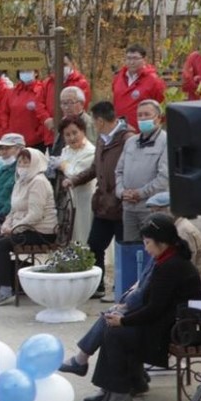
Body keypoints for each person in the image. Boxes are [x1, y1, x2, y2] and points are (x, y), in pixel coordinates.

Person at [85, 214, 201, 401]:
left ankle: (120, 396)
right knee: (112, 327)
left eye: (148, 243)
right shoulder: (166, 260)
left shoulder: (171, 266)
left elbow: (154, 309)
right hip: (168, 322)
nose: (146, 248)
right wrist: (123, 317)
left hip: (175, 330)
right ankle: (120, 388)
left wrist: (124, 321)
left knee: (115, 333)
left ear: (162, 242)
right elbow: (153, 306)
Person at [70, 102, 134, 296]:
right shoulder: (101, 139)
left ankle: (122, 289)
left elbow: (132, 170)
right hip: (103, 204)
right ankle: (96, 287)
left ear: (99, 121)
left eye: (93, 121)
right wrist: (75, 180)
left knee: (124, 248)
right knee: (95, 245)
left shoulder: (128, 139)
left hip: (122, 204)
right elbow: (94, 168)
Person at [0, 148, 57, 304]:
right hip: (24, 228)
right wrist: (6, 225)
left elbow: (35, 215)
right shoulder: (21, 181)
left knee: (1, 245)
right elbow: (13, 210)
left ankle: (6, 289)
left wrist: (14, 229)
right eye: (20, 162)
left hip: (41, 232)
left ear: (35, 163)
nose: (22, 166)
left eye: (26, 163)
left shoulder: (38, 182)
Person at [115, 99, 168, 244]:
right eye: (140, 115)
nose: (143, 118)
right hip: (129, 208)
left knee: (154, 247)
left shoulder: (166, 141)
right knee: (130, 248)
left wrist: (140, 193)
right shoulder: (130, 142)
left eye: (147, 115)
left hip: (152, 208)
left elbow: (164, 178)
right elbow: (119, 171)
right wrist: (122, 192)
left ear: (158, 118)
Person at [57, 117, 97, 245]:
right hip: (70, 198)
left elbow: (74, 173)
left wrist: (64, 165)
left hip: (86, 197)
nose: (72, 137)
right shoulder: (66, 150)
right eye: (67, 135)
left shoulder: (90, 151)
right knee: (72, 232)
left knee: (84, 231)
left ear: (83, 131)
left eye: (75, 133)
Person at [111, 44, 165, 129]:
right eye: (129, 58)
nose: (131, 62)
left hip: (143, 130)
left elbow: (162, 107)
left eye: (135, 58)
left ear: (144, 60)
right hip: (120, 129)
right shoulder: (118, 78)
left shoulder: (154, 81)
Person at [3, 68, 50, 150]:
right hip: (14, 142)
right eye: (22, 71)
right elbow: (4, 113)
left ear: (36, 73)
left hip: (36, 142)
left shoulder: (42, 90)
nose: (25, 73)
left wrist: (38, 134)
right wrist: (7, 131)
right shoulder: (12, 92)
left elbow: (44, 113)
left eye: (28, 71)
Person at [0, 134, 26, 223]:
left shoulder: (23, 171)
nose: (3, 152)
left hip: (6, 218)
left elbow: (15, 200)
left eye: (7, 148)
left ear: (20, 149)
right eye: (2, 148)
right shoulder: (3, 170)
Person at [47, 86, 95, 154]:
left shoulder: (88, 123)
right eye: (64, 103)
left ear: (81, 104)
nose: (66, 107)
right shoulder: (64, 121)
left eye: (70, 103)